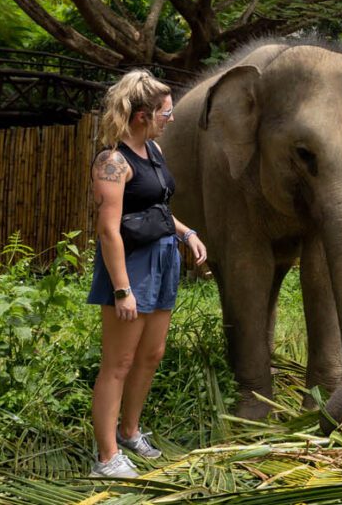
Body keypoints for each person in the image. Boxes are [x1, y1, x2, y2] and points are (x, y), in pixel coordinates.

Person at [86, 70, 208, 478]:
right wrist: (122, 289)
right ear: (141, 115)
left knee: (151, 355)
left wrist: (186, 231)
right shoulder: (112, 162)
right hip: (130, 265)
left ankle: (129, 431)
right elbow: (108, 229)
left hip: (163, 259)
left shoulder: (154, 152)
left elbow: (157, 209)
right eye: (165, 112)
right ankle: (105, 458)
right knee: (118, 362)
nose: (170, 118)